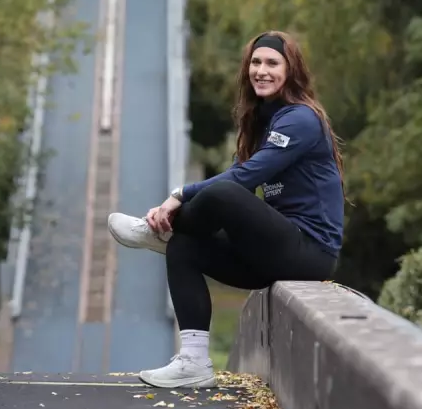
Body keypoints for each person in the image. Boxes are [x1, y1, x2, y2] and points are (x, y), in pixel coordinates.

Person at [107, 30, 345, 389]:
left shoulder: (301, 119)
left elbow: (247, 176)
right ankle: (194, 361)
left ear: (291, 70)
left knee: (224, 195)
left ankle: (158, 227)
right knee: (184, 247)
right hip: (274, 253)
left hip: (309, 251)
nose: (261, 70)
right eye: (256, 62)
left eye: (272, 63)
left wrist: (179, 195)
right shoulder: (262, 122)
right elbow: (243, 176)